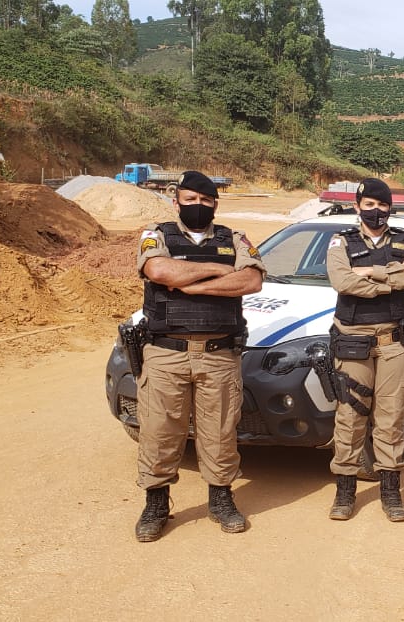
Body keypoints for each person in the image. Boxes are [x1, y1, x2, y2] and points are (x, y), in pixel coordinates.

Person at [133, 171, 265, 542]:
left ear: (215, 204)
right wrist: (218, 270)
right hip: (166, 353)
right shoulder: (156, 235)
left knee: (220, 432)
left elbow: (252, 281)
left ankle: (221, 499)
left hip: (218, 354)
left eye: (206, 200)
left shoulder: (234, 238)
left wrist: (188, 284)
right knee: (159, 431)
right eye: (190, 199)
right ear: (176, 200)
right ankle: (156, 503)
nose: (198, 206)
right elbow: (158, 269)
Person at [325, 178, 404, 522]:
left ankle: (390, 491)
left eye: (382, 205)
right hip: (353, 342)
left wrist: (371, 272)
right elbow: (343, 281)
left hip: (394, 343)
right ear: (358, 207)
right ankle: (345, 491)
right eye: (369, 204)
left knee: (391, 418)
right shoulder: (341, 241)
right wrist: (389, 282)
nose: (376, 210)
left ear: (390, 208)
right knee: (350, 417)